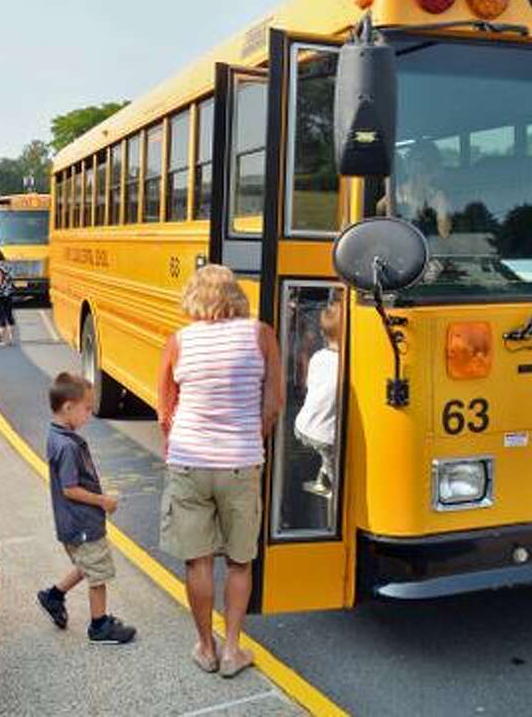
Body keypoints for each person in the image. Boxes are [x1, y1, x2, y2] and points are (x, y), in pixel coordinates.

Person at [156, 264, 283, 677]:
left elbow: (165, 410)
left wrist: (177, 446)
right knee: (239, 562)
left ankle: (205, 648)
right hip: (239, 462)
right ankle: (232, 651)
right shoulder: (261, 335)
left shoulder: (178, 342)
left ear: (195, 296)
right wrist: (251, 435)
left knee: (198, 562)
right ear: (235, 296)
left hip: (189, 461)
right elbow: (273, 402)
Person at [36, 373, 137, 644]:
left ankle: (53, 596)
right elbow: (70, 488)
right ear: (68, 406)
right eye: (87, 408)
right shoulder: (67, 445)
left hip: (72, 523)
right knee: (98, 575)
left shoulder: (56, 434)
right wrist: (103, 501)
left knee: (88, 563)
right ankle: (99, 626)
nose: (89, 415)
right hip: (82, 523)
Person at [293, 302, 342, 497]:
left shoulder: (319, 357)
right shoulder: (346, 363)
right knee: (333, 461)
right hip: (325, 434)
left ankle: (322, 482)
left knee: (327, 456)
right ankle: (331, 489)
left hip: (304, 425)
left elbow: (310, 385)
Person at [379, 140, 453, 238]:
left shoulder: (437, 197)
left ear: (434, 169)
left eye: (426, 163)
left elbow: (445, 235)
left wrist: (442, 210)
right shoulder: (396, 193)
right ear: (408, 165)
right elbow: (378, 217)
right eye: (415, 162)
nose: (419, 168)